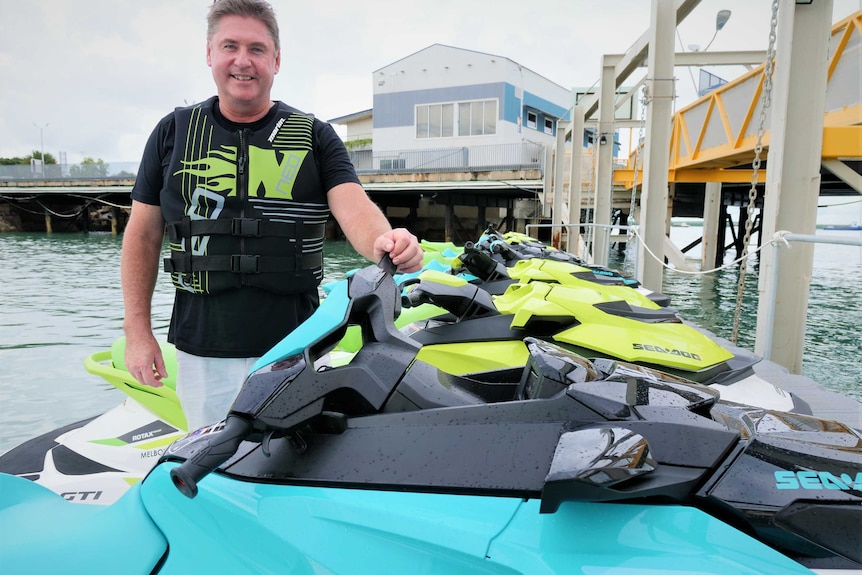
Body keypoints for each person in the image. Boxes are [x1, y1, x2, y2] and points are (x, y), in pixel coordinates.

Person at [121, 0, 423, 431]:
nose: (243, 61)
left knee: (292, 463)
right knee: (213, 462)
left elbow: (353, 206)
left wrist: (385, 241)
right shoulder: (172, 133)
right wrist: (137, 332)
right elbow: (143, 237)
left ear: (276, 60)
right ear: (209, 54)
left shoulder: (314, 135)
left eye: (257, 49)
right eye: (230, 46)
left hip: (296, 345)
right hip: (202, 349)